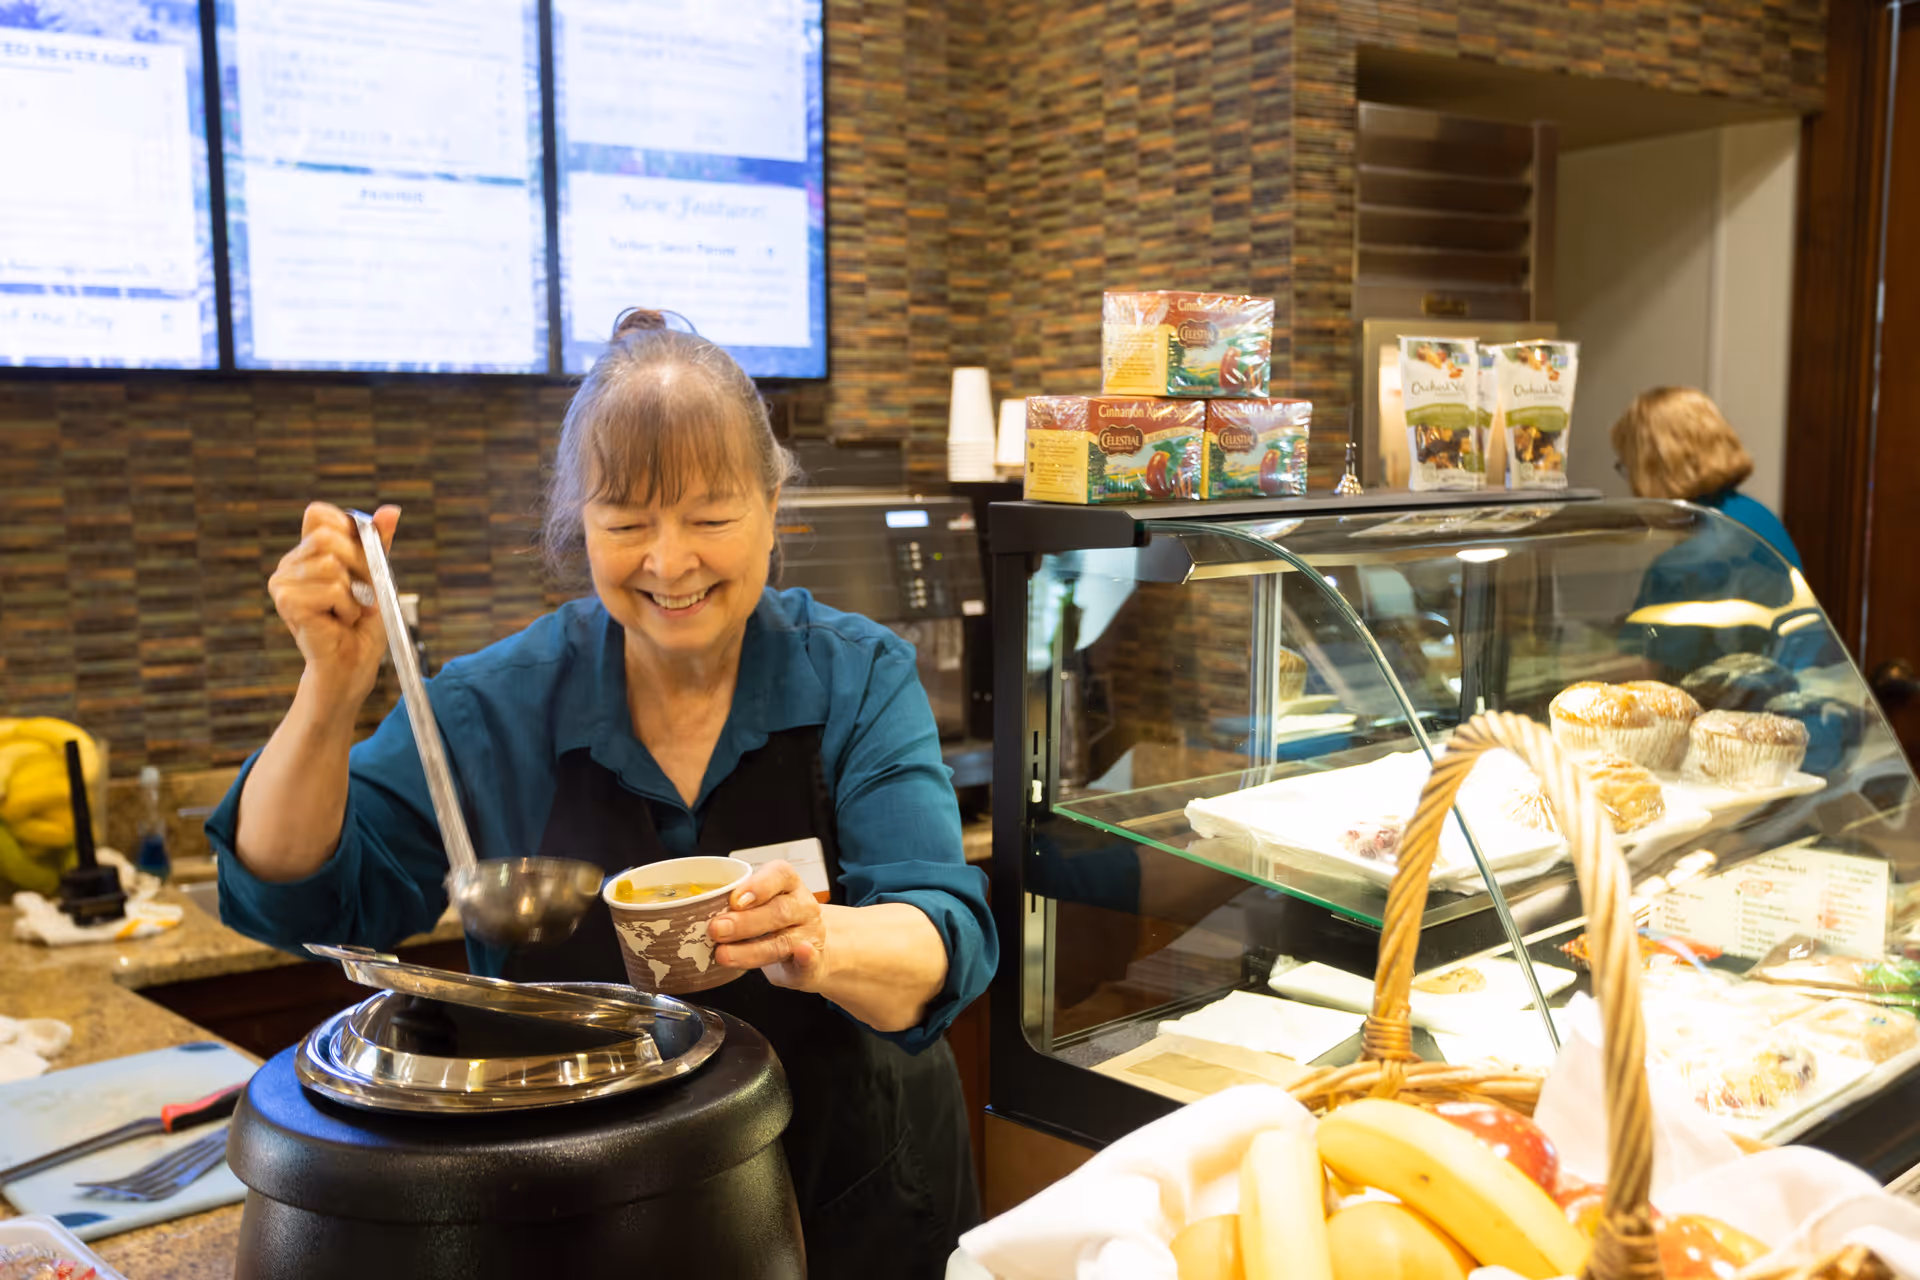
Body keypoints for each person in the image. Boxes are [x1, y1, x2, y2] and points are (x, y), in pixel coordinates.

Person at [206, 308, 996, 1277]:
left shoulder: (856, 678)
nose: (670, 562)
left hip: (851, 1207)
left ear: (773, 508)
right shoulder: (493, 704)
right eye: (626, 522)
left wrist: (814, 936)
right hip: (576, 1219)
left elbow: (939, 935)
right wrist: (329, 689)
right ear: (580, 523)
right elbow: (300, 891)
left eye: (710, 516)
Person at [1610, 387, 1828, 676]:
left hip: (1749, 707)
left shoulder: (1684, 563)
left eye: (1627, 467)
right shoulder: (1753, 515)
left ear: (1652, 467)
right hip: (1794, 695)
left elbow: (1647, 673)